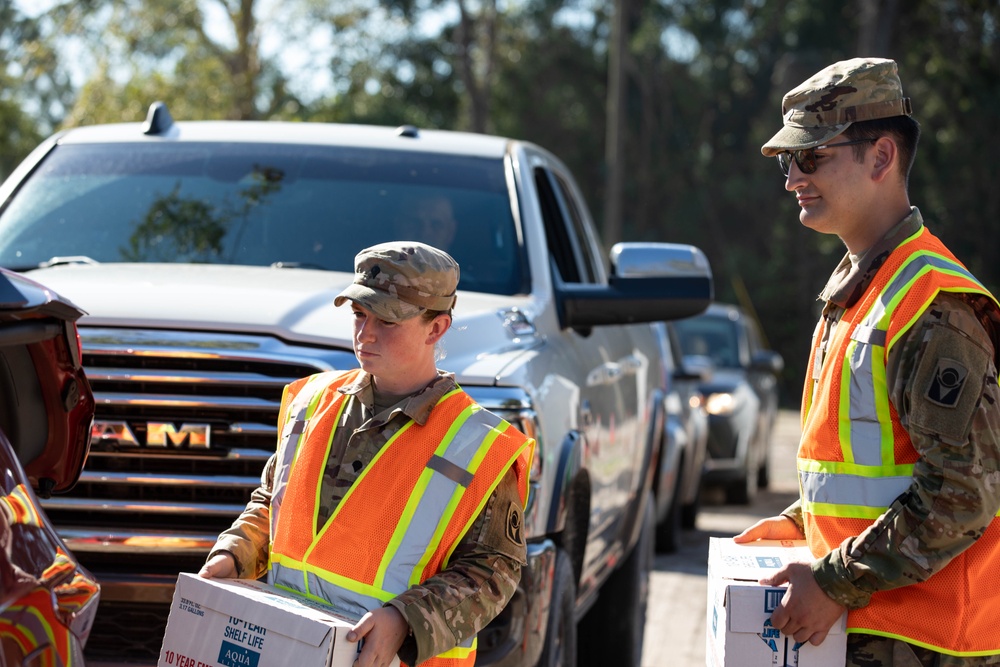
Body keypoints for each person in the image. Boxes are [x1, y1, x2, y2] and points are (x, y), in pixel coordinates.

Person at [734, 57, 1000, 666]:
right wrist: (804, 522)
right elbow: (876, 465)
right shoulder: (862, 289)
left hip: (932, 644)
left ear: (881, 157)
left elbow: (963, 494)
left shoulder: (933, 306)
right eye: (786, 161)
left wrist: (831, 582)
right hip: (879, 638)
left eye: (811, 157)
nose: (791, 178)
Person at [198, 241, 535, 667]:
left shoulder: (477, 444)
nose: (366, 333)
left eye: (388, 320)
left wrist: (405, 619)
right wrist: (232, 555)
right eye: (359, 314)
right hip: (287, 650)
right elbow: (272, 502)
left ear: (437, 328)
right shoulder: (312, 401)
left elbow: (491, 572)